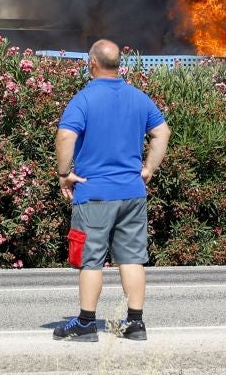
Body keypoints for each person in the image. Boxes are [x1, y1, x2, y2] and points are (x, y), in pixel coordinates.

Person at [51, 39, 170, 341]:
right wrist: (148, 169)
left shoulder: (84, 99)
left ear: (91, 63)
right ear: (119, 64)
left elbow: (66, 136)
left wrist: (65, 174)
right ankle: (135, 323)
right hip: (132, 193)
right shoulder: (138, 97)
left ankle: (86, 324)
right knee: (132, 258)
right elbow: (161, 132)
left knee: (90, 259)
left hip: (94, 194)